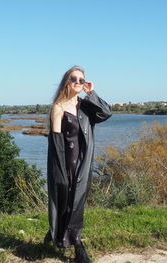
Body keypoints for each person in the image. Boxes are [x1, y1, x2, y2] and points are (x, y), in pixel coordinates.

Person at [45, 66, 112, 263]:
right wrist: (58, 171)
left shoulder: (86, 106)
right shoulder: (58, 107)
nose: (78, 82)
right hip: (65, 163)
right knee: (65, 201)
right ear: (66, 81)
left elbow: (106, 113)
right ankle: (59, 235)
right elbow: (56, 142)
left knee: (77, 203)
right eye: (73, 78)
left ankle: (77, 245)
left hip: (83, 163)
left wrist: (92, 93)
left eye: (81, 80)